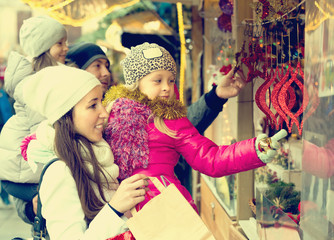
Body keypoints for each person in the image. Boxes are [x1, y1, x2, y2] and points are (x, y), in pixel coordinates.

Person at [102, 42, 282, 212]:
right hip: (120, 211)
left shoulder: (172, 121)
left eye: (171, 80)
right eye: (158, 80)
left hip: (165, 211)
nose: (166, 87)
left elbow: (210, 158)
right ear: (137, 83)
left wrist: (254, 149)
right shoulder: (111, 112)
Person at [22, 65, 148, 239]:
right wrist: (114, 208)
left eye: (101, 102)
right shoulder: (60, 172)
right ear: (65, 114)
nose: (104, 112)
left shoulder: (99, 156)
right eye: (92, 105)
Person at [0, 15, 68, 223]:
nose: (66, 48)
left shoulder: (46, 76)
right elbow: (45, 127)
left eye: (65, 42)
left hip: (25, 159)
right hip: (24, 162)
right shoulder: (36, 83)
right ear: (44, 47)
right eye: (59, 43)